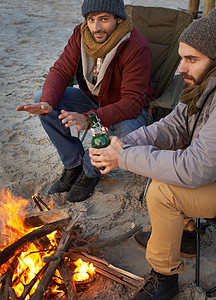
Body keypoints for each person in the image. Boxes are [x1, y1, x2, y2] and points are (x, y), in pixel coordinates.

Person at [89, 8, 216, 300]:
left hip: (210, 174)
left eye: (192, 60)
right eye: (182, 57)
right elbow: (171, 126)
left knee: (162, 192)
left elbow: (195, 168)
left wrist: (123, 158)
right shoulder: (200, 89)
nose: (180, 68)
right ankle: (180, 235)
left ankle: (164, 277)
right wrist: (122, 145)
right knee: (171, 147)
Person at [16, 0, 155, 203]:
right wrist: (47, 102)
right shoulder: (81, 35)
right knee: (43, 101)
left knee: (126, 131)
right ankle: (73, 165)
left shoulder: (135, 45)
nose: (96, 27)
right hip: (92, 97)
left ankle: (89, 173)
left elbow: (133, 102)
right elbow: (62, 70)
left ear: (118, 19)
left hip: (127, 106)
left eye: (104, 19)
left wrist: (90, 119)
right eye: (91, 19)